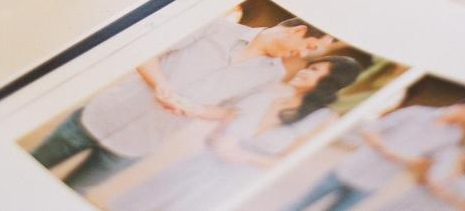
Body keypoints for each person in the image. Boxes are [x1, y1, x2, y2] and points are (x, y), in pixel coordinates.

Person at [30, 16, 328, 193]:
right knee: (34, 166)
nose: (304, 55)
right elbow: (146, 52)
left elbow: (232, 111)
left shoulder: (272, 75)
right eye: (310, 47)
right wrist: (161, 85)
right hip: (103, 114)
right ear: (298, 31)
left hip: (140, 144)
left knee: (72, 192)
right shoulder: (216, 26)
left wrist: (196, 110)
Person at [107, 56, 361, 211]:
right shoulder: (269, 95)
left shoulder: (324, 119)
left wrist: (244, 156)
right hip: (199, 166)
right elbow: (221, 120)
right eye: (310, 66)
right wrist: (216, 135)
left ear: (330, 83)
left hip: (235, 183)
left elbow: (289, 162)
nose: (305, 70)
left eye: (315, 71)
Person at [284, 98, 465, 211]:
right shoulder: (417, 113)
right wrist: (386, 149)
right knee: (298, 205)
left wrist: (411, 163)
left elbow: (431, 161)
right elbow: (371, 129)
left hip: (374, 183)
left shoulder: (453, 136)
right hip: (352, 167)